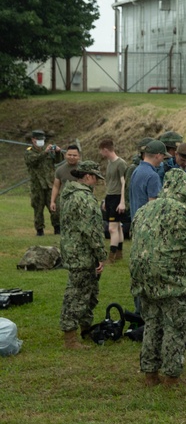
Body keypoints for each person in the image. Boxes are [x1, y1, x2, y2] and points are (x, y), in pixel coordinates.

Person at [130, 170, 186, 387]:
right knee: (176, 325)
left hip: (143, 277)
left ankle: (150, 373)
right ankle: (171, 376)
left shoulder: (143, 210)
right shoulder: (184, 211)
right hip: (172, 276)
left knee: (152, 323)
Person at [58, 160, 107, 350]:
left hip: (74, 251)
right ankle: (70, 338)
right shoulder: (84, 199)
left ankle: (86, 328)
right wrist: (101, 254)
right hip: (83, 254)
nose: (97, 182)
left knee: (89, 292)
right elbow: (91, 231)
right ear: (88, 176)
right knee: (77, 294)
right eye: (96, 178)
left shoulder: (69, 194)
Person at [24, 129, 62, 236]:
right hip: (37, 186)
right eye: (38, 139)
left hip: (49, 184)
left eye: (42, 139)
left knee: (55, 207)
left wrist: (58, 152)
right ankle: (39, 230)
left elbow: (58, 161)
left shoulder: (48, 151)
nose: (41, 141)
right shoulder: (29, 151)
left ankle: (57, 227)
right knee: (38, 208)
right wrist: (44, 153)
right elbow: (32, 160)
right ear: (33, 140)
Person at [98, 138, 128, 263]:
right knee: (118, 227)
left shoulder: (121, 163)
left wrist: (122, 201)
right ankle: (119, 253)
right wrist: (105, 199)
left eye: (101, 151)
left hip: (117, 197)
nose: (100, 154)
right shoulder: (109, 163)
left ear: (105, 150)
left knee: (112, 228)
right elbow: (109, 183)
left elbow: (123, 183)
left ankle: (111, 256)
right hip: (110, 197)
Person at [130, 140, 167, 220]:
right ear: (158, 155)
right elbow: (154, 206)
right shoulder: (153, 176)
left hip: (136, 223)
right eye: (163, 156)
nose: (163, 159)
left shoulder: (136, 171)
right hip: (147, 225)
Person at [50, 144, 81, 218]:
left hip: (80, 202)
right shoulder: (60, 170)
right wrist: (52, 202)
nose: (72, 157)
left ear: (78, 156)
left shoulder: (84, 169)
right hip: (65, 203)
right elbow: (56, 187)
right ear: (65, 155)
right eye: (69, 155)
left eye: (74, 155)